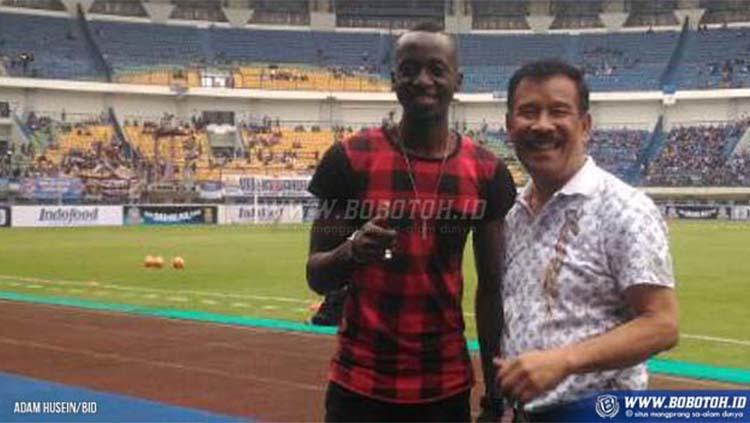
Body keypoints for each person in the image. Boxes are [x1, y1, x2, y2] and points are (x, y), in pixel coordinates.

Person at [306, 22, 516, 422]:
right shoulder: (348, 160)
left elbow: (492, 292)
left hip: (445, 387)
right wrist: (351, 252)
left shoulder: (487, 172)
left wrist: (494, 396)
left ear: (458, 80)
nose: (423, 80)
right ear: (393, 79)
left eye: (437, 69)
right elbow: (316, 276)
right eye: (410, 69)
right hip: (358, 384)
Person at [495, 59, 679, 421]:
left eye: (558, 111)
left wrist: (564, 361)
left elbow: (662, 324)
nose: (542, 125)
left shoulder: (624, 208)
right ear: (509, 125)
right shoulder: (516, 214)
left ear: (585, 126)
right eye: (528, 112)